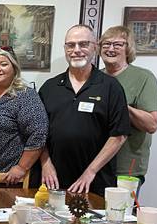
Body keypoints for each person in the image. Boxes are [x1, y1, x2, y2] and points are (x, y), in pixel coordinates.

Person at [39, 25, 131, 196]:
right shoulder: (49, 87)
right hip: (53, 180)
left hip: (95, 182)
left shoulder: (111, 87)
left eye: (83, 44)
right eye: (71, 45)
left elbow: (119, 135)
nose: (76, 50)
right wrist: (45, 163)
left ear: (95, 47)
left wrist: (90, 172)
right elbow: (37, 133)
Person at [0, 47, 48, 184]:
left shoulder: (25, 96)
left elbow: (39, 133)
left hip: (9, 180)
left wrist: (22, 167)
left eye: (4, 64)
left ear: (14, 68)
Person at [99, 26, 157, 188]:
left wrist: (121, 105)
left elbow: (152, 124)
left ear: (128, 49)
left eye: (117, 45)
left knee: (120, 212)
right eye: (106, 44)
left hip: (126, 168)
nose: (110, 49)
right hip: (95, 165)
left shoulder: (143, 77)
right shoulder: (95, 78)